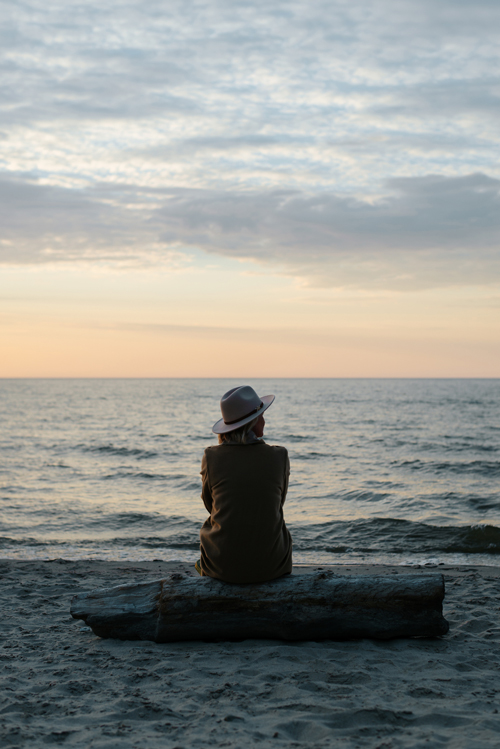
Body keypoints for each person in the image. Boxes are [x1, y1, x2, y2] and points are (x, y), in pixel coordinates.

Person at [196, 385, 292, 584]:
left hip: (222, 567)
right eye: (262, 415)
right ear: (254, 421)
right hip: (272, 567)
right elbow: (277, 503)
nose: (264, 419)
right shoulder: (279, 455)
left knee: (211, 523)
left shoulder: (211, 457)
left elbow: (209, 504)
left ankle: (209, 564)